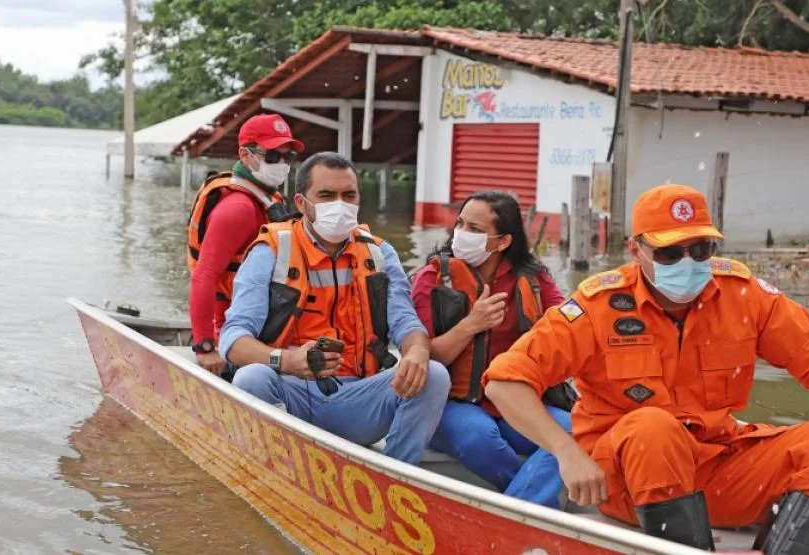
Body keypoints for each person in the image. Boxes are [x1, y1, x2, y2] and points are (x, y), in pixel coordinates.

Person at [482, 183, 809, 552]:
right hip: (625, 478)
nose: (688, 263)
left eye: (700, 250)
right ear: (636, 251)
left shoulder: (743, 293)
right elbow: (505, 382)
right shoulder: (597, 306)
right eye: (669, 253)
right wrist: (566, 452)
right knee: (653, 427)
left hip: (717, 461)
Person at [219, 152, 451, 465]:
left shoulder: (379, 253)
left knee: (434, 374)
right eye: (327, 195)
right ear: (301, 203)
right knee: (252, 378)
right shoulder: (271, 250)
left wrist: (417, 351)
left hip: (358, 399)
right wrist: (287, 360)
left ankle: (396, 476)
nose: (339, 205)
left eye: (349, 195)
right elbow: (232, 340)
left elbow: (406, 322)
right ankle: (279, 466)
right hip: (291, 397)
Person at [409, 191, 574, 507]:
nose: (461, 233)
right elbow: (424, 356)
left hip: (517, 401)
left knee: (576, 431)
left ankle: (521, 509)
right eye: (460, 223)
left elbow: (570, 329)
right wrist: (471, 324)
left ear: (503, 242)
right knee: (478, 438)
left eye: (474, 229)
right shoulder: (432, 277)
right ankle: (535, 510)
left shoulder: (534, 279)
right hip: (452, 403)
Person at [187, 114, 302, 377]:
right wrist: (205, 346)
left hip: (260, 323)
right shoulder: (238, 208)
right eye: (272, 156)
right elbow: (204, 275)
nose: (282, 164)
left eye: (288, 157)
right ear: (245, 155)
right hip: (233, 331)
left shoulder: (268, 199)